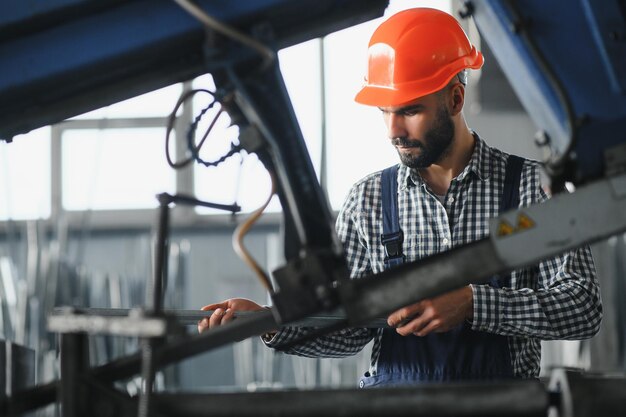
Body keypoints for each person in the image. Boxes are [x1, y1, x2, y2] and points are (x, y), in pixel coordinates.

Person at [198, 8, 602, 386]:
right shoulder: (368, 201)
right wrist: (270, 322)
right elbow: (348, 330)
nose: (393, 130)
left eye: (409, 111)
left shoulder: (533, 188)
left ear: (456, 100)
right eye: (385, 112)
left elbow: (582, 308)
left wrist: (475, 304)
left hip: (503, 407)